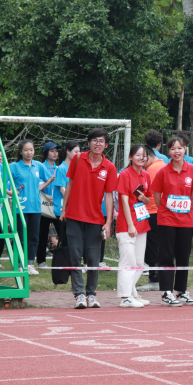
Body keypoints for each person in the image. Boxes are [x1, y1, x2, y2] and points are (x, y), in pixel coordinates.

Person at [60, 128, 118, 309]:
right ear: (89, 143)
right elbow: (69, 184)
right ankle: (79, 295)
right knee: (75, 256)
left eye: (101, 141)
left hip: (95, 220)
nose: (97, 144)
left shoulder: (109, 167)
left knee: (93, 259)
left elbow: (109, 195)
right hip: (74, 217)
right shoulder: (78, 159)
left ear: (106, 145)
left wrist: (108, 222)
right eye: (94, 140)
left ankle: (91, 294)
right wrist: (63, 209)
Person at [151, 136, 193, 306]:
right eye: (173, 148)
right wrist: (166, 209)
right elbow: (157, 195)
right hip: (166, 220)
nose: (176, 151)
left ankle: (181, 291)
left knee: (183, 256)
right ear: (168, 151)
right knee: (166, 256)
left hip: (186, 221)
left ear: (185, 149)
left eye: (180, 148)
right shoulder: (162, 171)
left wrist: (184, 208)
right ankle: (166, 293)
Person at [9, 139, 54, 276]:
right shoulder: (14, 166)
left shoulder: (38, 165)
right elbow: (1, 181)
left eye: (31, 150)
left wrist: (39, 188)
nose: (29, 152)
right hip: (20, 207)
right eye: (26, 150)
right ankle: (19, 264)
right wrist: (11, 193)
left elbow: (49, 178)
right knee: (20, 237)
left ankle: (29, 264)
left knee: (34, 237)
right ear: (20, 151)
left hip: (35, 207)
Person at [116, 145, 152, 308]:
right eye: (138, 155)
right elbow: (124, 201)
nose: (141, 158)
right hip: (127, 224)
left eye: (144, 155)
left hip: (142, 222)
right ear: (130, 157)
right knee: (128, 261)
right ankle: (125, 297)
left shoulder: (146, 175)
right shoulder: (124, 174)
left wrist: (144, 198)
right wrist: (130, 225)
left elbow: (147, 199)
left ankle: (132, 293)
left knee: (138, 263)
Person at [138, 145, 165, 290]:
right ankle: (157, 277)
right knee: (157, 245)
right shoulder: (162, 165)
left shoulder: (152, 170)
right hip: (158, 210)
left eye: (142, 157)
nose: (141, 161)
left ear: (147, 156)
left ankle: (155, 278)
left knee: (152, 246)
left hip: (152, 211)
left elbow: (141, 190)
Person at [37, 142, 62, 269]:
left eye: (56, 151)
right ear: (46, 152)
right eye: (52, 151)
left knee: (63, 233)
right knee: (42, 234)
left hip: (57, 205)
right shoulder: (40, 167)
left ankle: (64, 259)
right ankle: (41, 261)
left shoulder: (60, 168)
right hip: (44, 204)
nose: (55, 153)